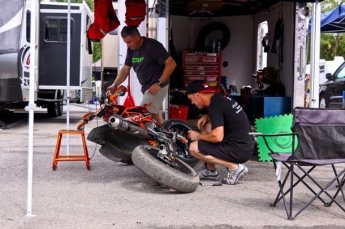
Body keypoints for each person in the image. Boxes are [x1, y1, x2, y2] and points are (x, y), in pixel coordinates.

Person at [186, 80, 255, 185]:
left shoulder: (215, 106)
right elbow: (225, 114)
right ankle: (210, 171)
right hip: (245, 146)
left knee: (193, 148)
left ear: (197, 94)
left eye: (191, 99)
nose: (192, 103)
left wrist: (198, 136)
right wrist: (208, 117)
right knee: (205, 125)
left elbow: (217, 137)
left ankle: (234, 167)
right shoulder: (219, 99)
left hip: (239, 150)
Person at [107, 26, 176, 125]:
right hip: (146, 87)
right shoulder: (131, 49)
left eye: (129, 42)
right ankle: (169, 137)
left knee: (141, 118)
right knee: (157, 120)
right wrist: (114, 85)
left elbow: (171, 63)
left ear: (137, 37)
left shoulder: (153, 46)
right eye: (126, 42)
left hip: (155, 87)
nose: (128, 45)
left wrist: (159, 83)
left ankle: (142, 140)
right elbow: (125, 69)